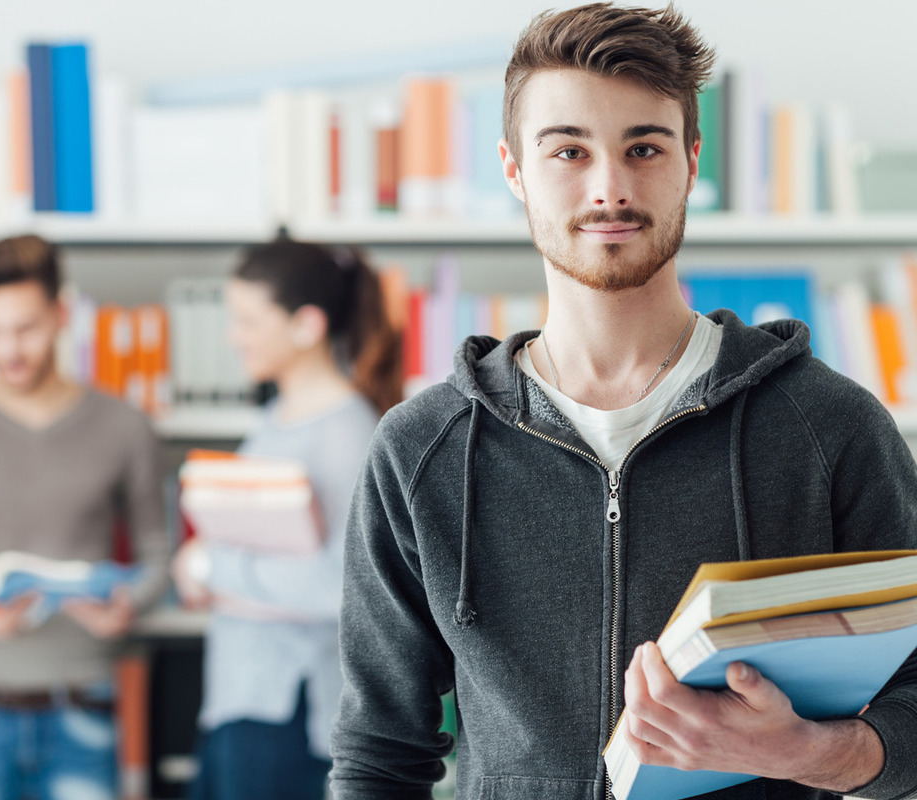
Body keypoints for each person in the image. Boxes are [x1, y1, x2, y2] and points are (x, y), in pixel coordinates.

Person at [329, 5, 917, 800]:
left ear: (691, 161)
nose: (610, 187)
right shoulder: (420, 448)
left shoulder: (829, 427)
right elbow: (377, 752)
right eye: (568, 150)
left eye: (644, 147)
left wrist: (812, 752)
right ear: (514, 169)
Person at [0, 234, 170, 800]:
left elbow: (157, 554)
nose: (8, 349)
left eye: (25, 329)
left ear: (62, 314)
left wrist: (128, 606)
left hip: (84, 697)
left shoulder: (124, 427)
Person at [172, 237, 402, 800]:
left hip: (291, 708)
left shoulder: (346, 431)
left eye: (249, 322)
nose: (234, 337)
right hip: (243, 696)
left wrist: (209, 569)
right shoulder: (274, 419)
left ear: (306, 325)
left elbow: (338, 589)